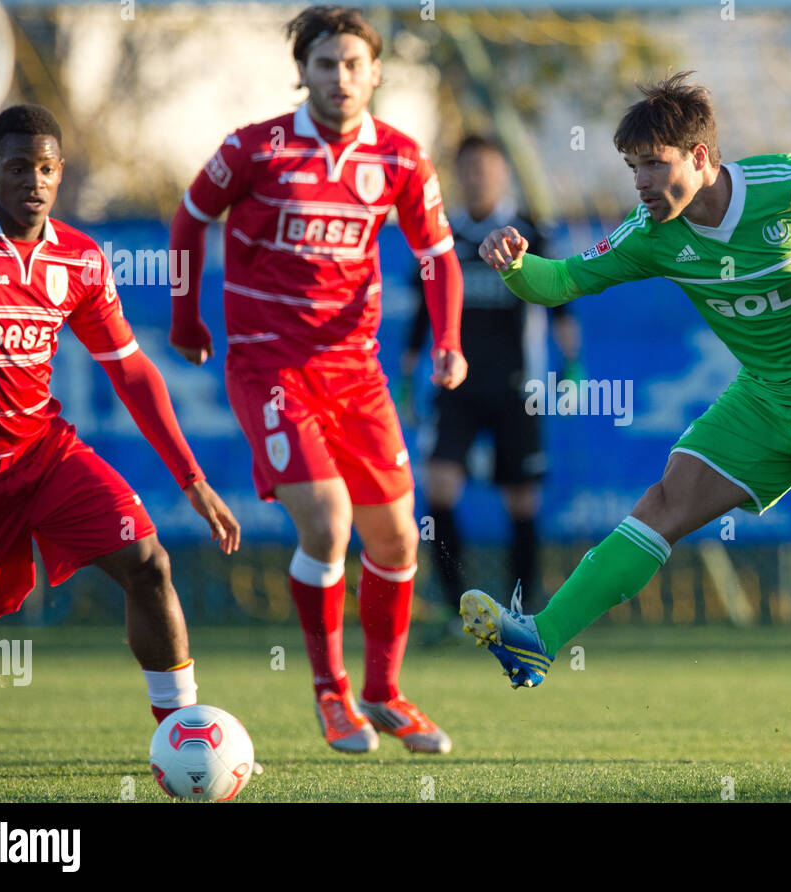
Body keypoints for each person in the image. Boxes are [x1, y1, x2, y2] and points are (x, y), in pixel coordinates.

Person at [468, 72, 791, 798]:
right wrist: (516, 266)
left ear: (701, 156)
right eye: (632, 166)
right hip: (763, 398)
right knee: (664, 504)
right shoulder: (654, 234)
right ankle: (538, 640)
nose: (641, 181)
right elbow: (563, 282)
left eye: (654, 163)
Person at [168, 6, 465, 754]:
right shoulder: (254, 149)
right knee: (330, 524)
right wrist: (185, 317)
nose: (340, 78)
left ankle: (385, 692)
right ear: (302, 71)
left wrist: (448, 343)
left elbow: (436, 256)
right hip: (268, 366)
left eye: (354, 64)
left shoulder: (400, 157)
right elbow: (187, 219)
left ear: (375, 72)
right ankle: (331, 692)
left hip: (357, 375)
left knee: (397, 540)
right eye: (326, 64)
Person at [0, 104, 241, 775]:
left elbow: (129, 369)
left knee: (147, 563)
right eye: (17, 168)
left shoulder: (81, 258)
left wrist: (193, 479)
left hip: (44, 455)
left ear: (60, 173)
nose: (32, 182)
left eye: (45, 169)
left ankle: (185, 730)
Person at [402, 135, 580, 623]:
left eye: (488, 168)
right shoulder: (443, 238)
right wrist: (406, 374)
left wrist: (572, 368)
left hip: (516, 390)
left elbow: (562, 301)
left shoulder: (528, 234)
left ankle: (523, 608)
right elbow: (424, 309)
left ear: (503, 173)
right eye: (469, 169)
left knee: (522, 498)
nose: (478, 177)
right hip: (453, 388)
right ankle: (454, 604)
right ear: (457, 175)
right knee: (439, 488)